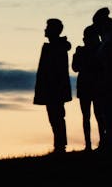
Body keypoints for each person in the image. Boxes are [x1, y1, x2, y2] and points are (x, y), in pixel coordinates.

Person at [33, 17, 72, 154]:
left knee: (57, 117)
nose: (45, 30)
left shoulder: (57, 48)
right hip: (51, 89)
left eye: (48, 27)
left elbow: (57, 71)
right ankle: (59, 145)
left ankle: (60, 146)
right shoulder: (53, 47)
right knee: (54, 117)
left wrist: (55, 87)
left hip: (55, 89)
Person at [91, 7, 112, 151]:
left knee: (109, 110)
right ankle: (110, 140)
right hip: (107, 78)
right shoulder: (111, 37)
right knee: (107, 110)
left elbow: (108, 59)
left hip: (109, 78)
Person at [72, 24, 104, 151]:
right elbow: (75, 67)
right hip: (87, 86)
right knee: (90, 116)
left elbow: (76, 67)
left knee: (96, 115)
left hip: (93, 86)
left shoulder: (98, 50)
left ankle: (99, 142)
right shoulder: (83, 51)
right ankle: (90, 144)